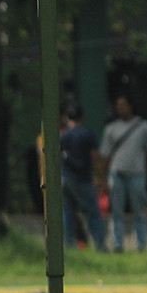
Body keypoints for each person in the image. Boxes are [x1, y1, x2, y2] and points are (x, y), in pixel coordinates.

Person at [98, 94, 147, 252]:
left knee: (139, 211)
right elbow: (104, 155)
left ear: (131, 106)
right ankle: (117, 244)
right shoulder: (111, 128)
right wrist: (103, 177)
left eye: (124, 105)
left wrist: (146, 171)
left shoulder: (144, 126)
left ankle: (141, 244)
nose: (121, 108)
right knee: (116, 211)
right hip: (116, 173)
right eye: (118, 105)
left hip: (137, 173)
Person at [60, 104, 108, 252]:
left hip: (65, 179)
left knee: (68, 214)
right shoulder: (88, 134)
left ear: (67, 118)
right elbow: (95, 158)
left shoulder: (63, 135)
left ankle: (69, 247)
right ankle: (100, 246)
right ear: (83, 117)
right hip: (82, 179)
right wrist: (101, 177)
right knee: (92, 212)